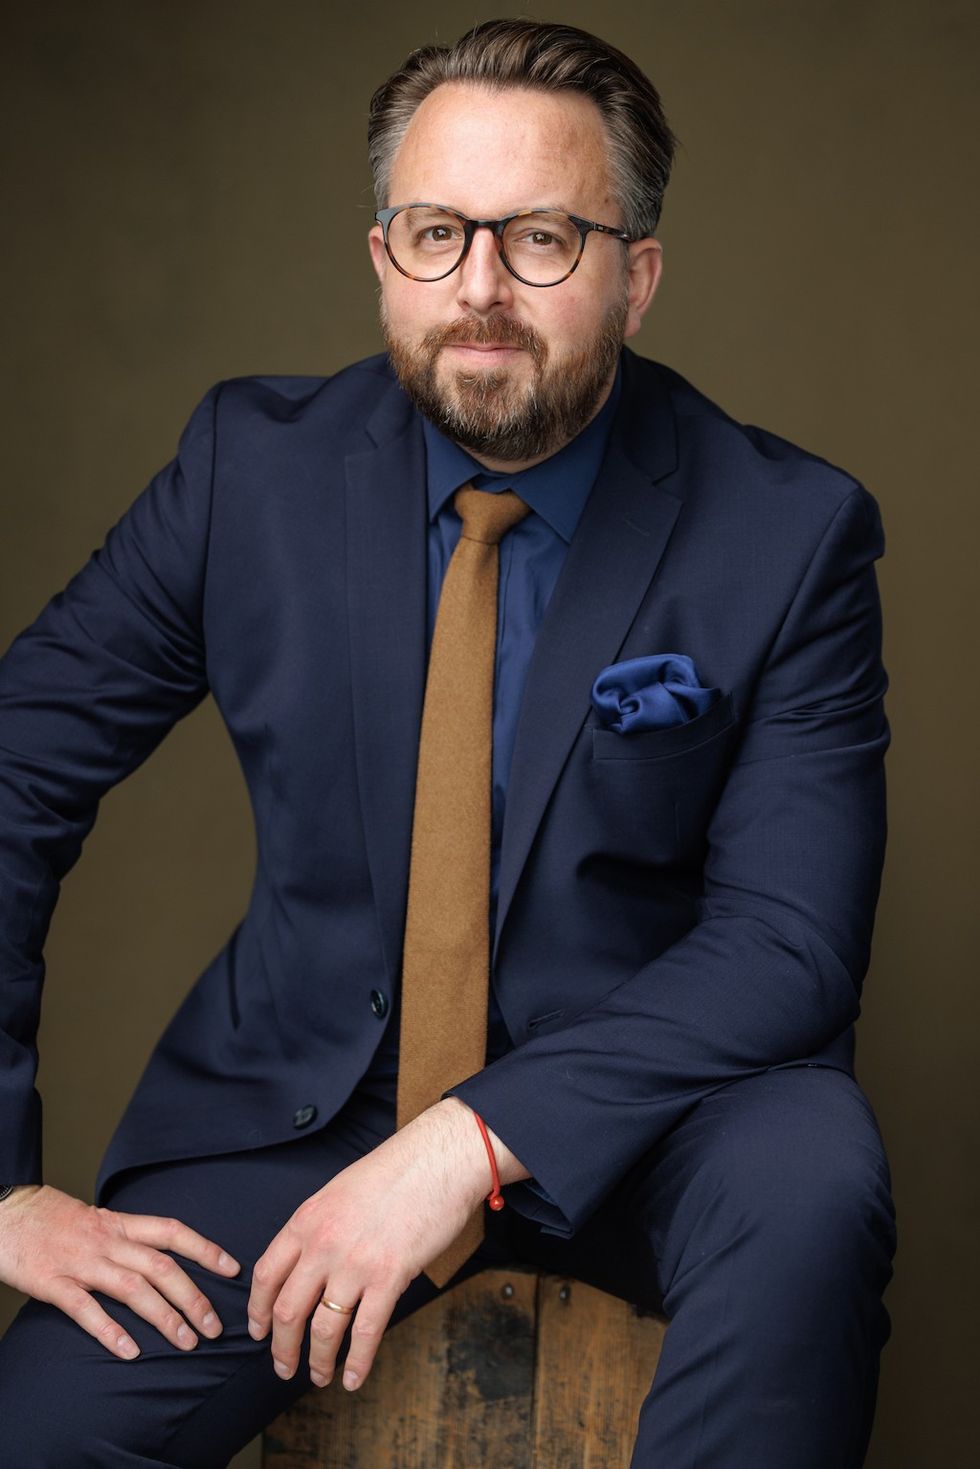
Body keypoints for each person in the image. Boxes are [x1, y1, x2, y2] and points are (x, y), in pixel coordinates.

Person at [0, 17, 897, 1468]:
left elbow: (790, 944)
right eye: (436, 234)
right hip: (298, 1125)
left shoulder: (786, 533)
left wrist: (464, 1140)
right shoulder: (248, 472)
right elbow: (15, 767)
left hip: (641, 1124)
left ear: (637, 274)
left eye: (541, 237)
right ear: (381, 256)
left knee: (813, 1172)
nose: (479, 289)